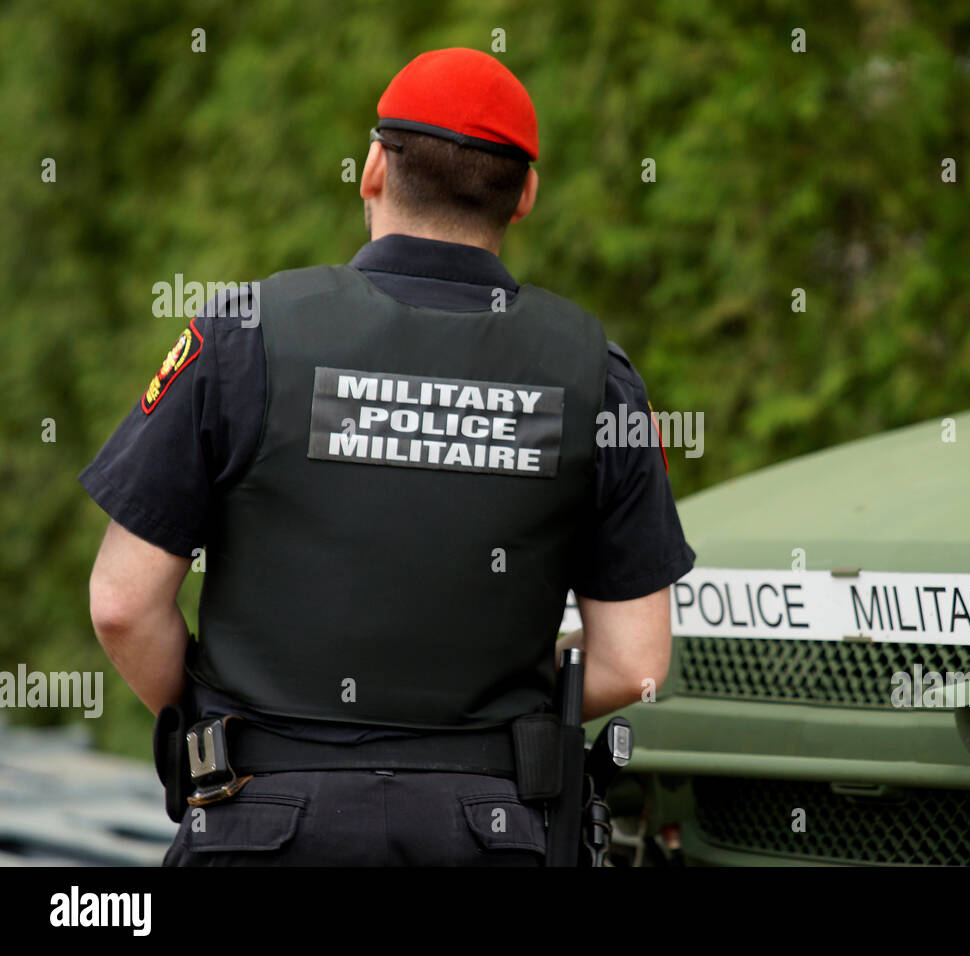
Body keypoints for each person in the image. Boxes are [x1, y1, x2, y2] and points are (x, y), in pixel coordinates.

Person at [79, 48, 694, 866]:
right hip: (493, 833)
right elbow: (636, 659)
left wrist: (222, 726)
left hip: (259, 824)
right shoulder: (596, 375)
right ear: (527, 197)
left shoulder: (241, 335)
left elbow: (122, 604)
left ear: (372, 167)